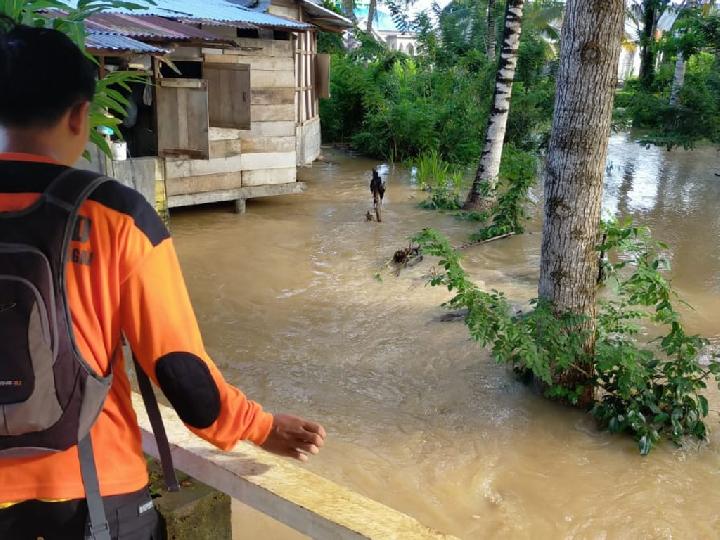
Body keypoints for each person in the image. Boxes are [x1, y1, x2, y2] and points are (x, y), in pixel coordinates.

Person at [0, 21, 326, 539]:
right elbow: (181, 373)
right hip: (93, 495)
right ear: (80, 115)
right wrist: (261, 426)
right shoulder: (117, 215)